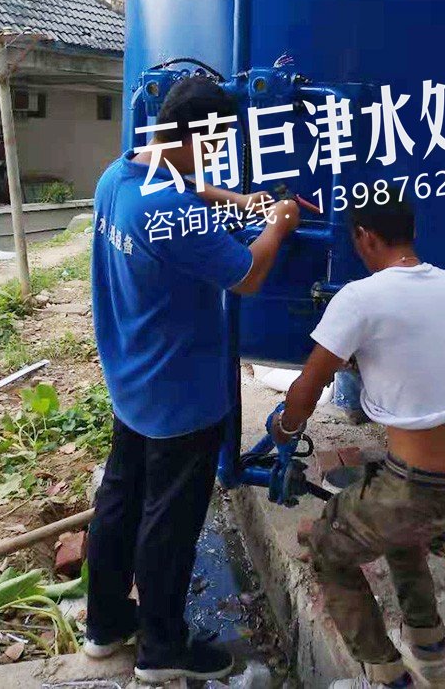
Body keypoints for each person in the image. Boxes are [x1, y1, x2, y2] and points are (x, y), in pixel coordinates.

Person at [85, 75, 300, 684]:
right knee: (170, 523)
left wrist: (239, 201)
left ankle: (106, 624)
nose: (218, 153)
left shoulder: (118, 177)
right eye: (217, 142)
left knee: (120, 500)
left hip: (131, 379)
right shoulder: (170, 213)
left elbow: (180, 186)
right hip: (179, 392)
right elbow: (247, 275)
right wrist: (279, 222)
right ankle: (162, 650)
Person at [271, 189, 445, 689]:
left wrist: (285, 429)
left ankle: (385, 673)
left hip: (417, 490)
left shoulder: (359, 298)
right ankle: (429, 646)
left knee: (328, 545)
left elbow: (306, 389)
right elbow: (437, 351)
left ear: (365, 237)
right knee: (399, 531)